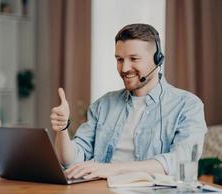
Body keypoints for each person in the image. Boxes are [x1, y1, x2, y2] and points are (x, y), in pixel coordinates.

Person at [50, 23, 207, 180]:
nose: (124, 68)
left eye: (134, 59)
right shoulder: (103, 105)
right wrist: (62, 129)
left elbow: (181, 161)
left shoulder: (188, 105)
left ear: (157, 59)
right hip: (100, 192)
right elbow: (71, 161)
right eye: (119, 59)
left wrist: (113, 169)